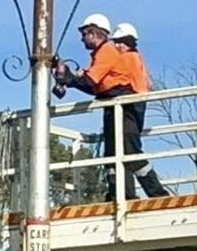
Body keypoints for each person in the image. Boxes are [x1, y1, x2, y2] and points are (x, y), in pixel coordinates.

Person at [56, 13, 139, 200]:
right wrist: (70, 78)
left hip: (121, 103)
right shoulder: (101, 54)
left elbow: (91, 81)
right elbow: (94, 86)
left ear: (93, 33)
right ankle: (117, 193)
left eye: (84, 34)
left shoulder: (106, 51)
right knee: (113, 152)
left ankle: (141, 193)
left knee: (125, 150)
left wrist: (69, 78)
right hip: (113, 103)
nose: (82, 39)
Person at [109, 22, 169, 198]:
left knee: (130, 150)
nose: (116, 46)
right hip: (134, 106)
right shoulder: (137, 58)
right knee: (120, 152)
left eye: (119, 42)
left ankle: (155, 192)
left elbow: (113, 82)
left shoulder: (128, 58)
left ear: (127, 42)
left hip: (129, 106)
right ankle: (123, 193)